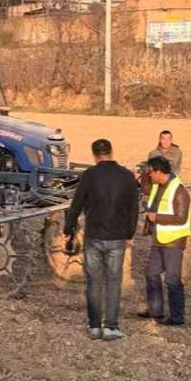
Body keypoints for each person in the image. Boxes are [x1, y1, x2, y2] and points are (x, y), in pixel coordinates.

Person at [63, 138, 141, 341]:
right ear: (111, 152)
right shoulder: (126, 176)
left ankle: (94, 326)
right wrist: (129, 234)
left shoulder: (89, 175)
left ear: (94, 155)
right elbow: (134, 209)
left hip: (94, 237)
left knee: (93, 282)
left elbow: (76, 204)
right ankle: (111, 327)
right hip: (117, 237)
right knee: (113, 282)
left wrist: (68, 229)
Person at [139, 155, 191, 326]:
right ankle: (155, 311)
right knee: (151, 273)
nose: (149, 175)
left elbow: (181, 218)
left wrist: (157, 217)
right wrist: (141, 173)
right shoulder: (157, 185)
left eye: (150, 172)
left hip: (173, 242)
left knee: (172, 280)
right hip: (158, 239)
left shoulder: (180, 192)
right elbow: (146, 188)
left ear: (159, 172)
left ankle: (177, 318)